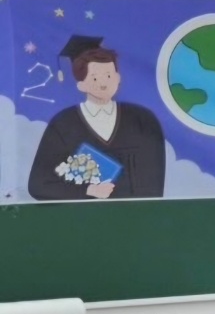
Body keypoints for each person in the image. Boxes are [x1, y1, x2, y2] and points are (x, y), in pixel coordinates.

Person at [28, 35, 166, 201]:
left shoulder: (142, 120)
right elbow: (39, 184)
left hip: (133, 213)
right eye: (94, 78)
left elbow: (153, 181)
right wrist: (88, 190)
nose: (103, 83)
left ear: (118, 78)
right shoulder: (63, 124)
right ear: (81, 85)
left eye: (108, 76)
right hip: (83, 215)